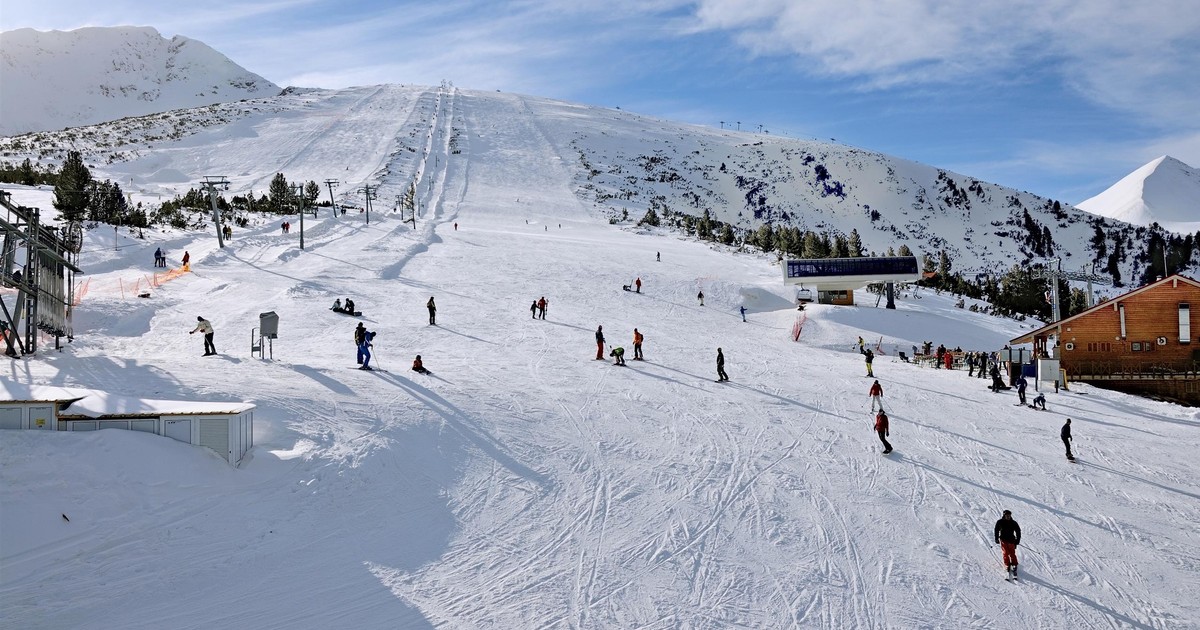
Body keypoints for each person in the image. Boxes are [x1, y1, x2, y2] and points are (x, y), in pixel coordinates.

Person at [994, 510, 1022, 578]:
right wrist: (996, 538)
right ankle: (1007, 564)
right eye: (1007, 515)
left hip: (1011, 540)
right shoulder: (1000, 522)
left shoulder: (1013, 523)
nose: (1008, 517)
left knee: (1012, 553)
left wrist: (1017, 540)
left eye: (1009, 515)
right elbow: (996, 530)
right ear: (1004, 515)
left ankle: (1014, 564)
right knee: (1005, 553)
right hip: (1003, 540)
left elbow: (1018, 531)